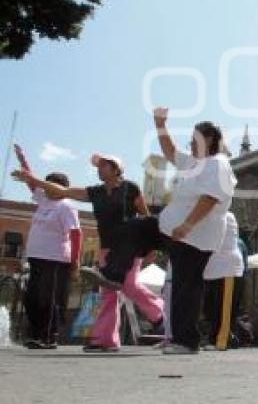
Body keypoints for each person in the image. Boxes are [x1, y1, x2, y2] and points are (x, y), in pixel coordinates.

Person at [74, 108, 236, 355]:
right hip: (168, 228)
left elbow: (211, 198)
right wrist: (160, 124)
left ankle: (187, 341)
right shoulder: (193, 162)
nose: (190, 145)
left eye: (194, 141)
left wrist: (189, 224)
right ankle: (114, 274)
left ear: (210, 140)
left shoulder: (217, 164)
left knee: (186, 285)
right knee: (132, 228)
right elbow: (169, 151)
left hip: (194, 238)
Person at [13, 151, 163, 353]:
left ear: (116, 169)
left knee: (129, 285)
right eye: (98, 166)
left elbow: (145, 216)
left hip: (130, 246)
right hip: (107, 248)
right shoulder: (96, 192)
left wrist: (151, 246)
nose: (99, 170)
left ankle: (162, 316)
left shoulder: (130, 188)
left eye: (103, 166)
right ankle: (105, 340)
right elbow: (64, 191)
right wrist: (33, 179)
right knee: (108, 292)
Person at [13, 145, 81, 349]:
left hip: (55, 260)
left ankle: (48, 336)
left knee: (48, 299)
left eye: (51, 185)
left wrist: (75, 260)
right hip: (36, 258)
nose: (45, 188)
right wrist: (23, 159)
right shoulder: (44, 201)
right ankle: (35, 334)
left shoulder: (67, 206)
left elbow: (76, 233)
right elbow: (31, 182)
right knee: (32, 298)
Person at [202, 211, 244, 351]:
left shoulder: (227, 216)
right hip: (215, 270)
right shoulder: (210, 216)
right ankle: (220, 337)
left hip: (227, 268)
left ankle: (222, 340)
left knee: (224, 308)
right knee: (212, 307)